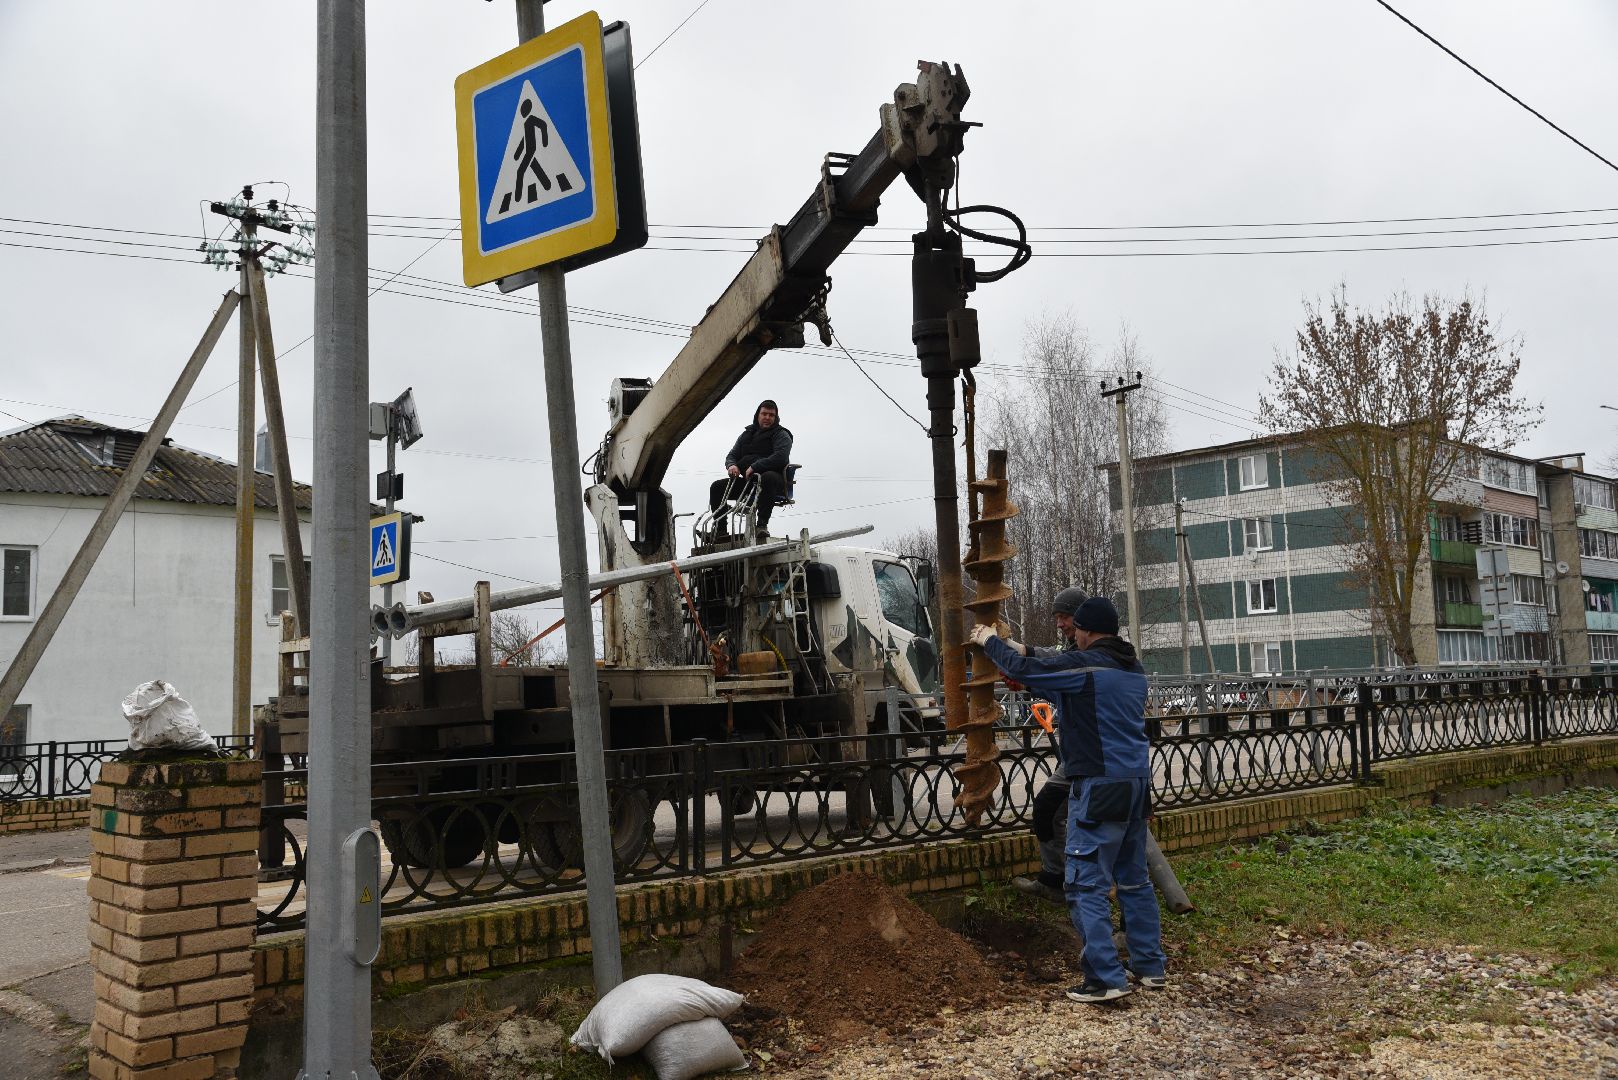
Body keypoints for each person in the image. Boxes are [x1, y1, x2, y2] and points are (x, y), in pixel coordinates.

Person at [971, 596, 1166, 1003]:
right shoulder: (1131, 668)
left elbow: (1032, 667)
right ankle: (1149, 967)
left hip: (1098, 785)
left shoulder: (1086, 665)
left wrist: (991, 642)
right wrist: (1031, 679)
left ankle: (1105, 979)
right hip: (1136, 785)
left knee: (1084, 884)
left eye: (1075, 628)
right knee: (1134, 880)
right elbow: (1077, 692)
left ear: (1088, 630)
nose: (1072, 635)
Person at [1000, 586, 1087, 905]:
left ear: (1082, 617)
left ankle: (1084, 887)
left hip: (1093, 757)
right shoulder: (1075, 646)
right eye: (1057, 617)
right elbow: (1057, 666)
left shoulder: (1091, 651)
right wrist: (1027, 679)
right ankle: (1058, 880)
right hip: (1079, 756)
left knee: (1087, 821)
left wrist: (1015, 655)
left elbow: (1059, 665)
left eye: (1065, 617)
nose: (1060, 623)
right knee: (1050, 811)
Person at [708, 400, 793, 539]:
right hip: (750, 483)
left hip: (774, 482)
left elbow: (781, 457)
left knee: (768, 477)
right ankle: (720, 531)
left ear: (776, 417)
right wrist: (732, 465)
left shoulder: (781, 434)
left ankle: (762, 526)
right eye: (764, 414)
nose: (767, 417)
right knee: (717, 487)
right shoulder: (747, 434)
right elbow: (732, 455)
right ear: (758, 415)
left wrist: (755, 466)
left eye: (771, 415)